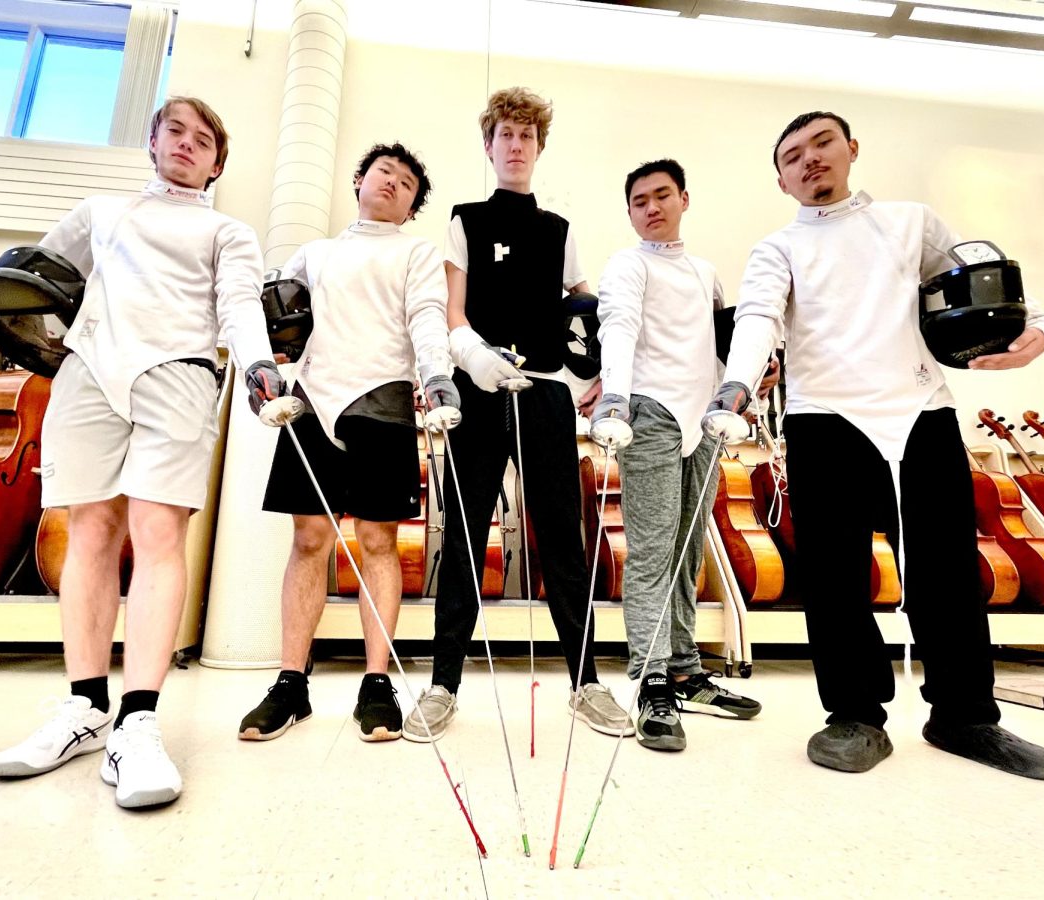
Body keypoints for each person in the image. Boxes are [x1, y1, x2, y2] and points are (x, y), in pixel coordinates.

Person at [709, 111, 1044, 779]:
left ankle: (966, 717)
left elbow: (980, 275)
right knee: (834, 578)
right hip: (825, 423)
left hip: (920, 414)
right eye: (793, 155)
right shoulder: (777, 248)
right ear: (782, 178)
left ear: (851, 149)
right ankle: (854, 717)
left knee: (949, 573)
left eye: (822, 144)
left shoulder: (911, 222)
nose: (810, 159)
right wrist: (736, 384)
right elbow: (758, 317)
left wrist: (1037, 328)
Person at [0, 97, 283, 807]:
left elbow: (240, 307)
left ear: (218, 162)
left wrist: (258, 367)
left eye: (203, 140)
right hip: (88, 371)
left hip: (180, 375)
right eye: (176, 132)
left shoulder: (228, 229)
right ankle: (84, 707)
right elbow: (19, 282)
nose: (188, 145)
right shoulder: (98, 211)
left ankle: (138, 721)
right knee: (89, 529)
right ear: (153, 140)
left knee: (159, 532)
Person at [402, 86, 630, 743]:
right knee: (467, 534)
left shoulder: (559, 230)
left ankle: (586, 682)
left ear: (539, 147)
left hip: (545, 395)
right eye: (505, 134)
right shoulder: (465, 219)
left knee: (563, 535)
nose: (516, 145)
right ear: (489, 144)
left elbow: (588, 310)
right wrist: (469, 356)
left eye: (527, 136)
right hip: (479, 390)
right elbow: (452, 310)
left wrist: (596, 374)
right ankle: (444, 685)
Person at [238, 143, 459, 744]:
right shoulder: (315, 253)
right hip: (312, 398)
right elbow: (271, 316)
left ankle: (377, 682)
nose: (393, 183)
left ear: (413, 206)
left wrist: (437, 376)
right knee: (308, 538)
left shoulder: (417, 252)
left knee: (378, 541)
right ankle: (290, 684)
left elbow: (428, 318)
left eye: (407, 182)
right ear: (360, 181)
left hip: (381, 401)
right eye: (385, 172)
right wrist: (263, 365)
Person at [591, 159, 765, 753]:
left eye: (661, 196)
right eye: (639, 201)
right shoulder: (627, 264)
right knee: (652, 551)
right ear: (631, 212)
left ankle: (688, 669)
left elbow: (718, 346)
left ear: (684, 199)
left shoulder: (705, 271)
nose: (651, 207)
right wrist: (613, 397)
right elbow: (617, 327)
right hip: (650, 413)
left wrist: (739, 392)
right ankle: (651, 679)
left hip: (704, 417)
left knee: (690, 548)